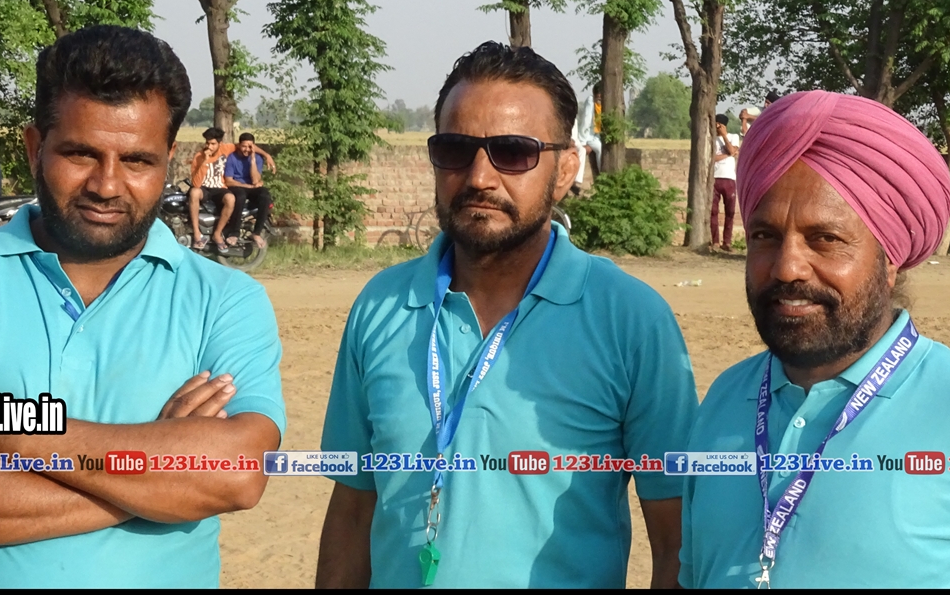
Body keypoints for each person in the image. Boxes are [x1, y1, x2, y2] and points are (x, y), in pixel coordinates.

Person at [0, 25, 286, 588]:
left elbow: (237, 475)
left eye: (137, 160)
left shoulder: (226, 299)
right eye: (81, 153)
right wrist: (155, 477)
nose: (107, 186)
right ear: (34, 148)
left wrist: (7, 429)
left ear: (168, 160)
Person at [315, 41, 698, 588]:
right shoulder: (381, 306)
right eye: (455, 148)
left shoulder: (631, 320)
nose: (479, 177)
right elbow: (353, 509)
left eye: (513, 152)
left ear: (565, 170)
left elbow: (676, 539)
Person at [679, 90, 950, 588]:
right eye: (765, 236)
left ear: (890, 258)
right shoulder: (726, 399)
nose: (787, 267)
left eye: (825, 239)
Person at [222, 132, 276, 253]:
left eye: (250, 146)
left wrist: (252, 160)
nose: (247, 149)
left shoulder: (257, 158)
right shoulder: (232, 158)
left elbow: (256, 181)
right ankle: (234, 232)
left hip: (252, 187)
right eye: (244, 146)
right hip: (237, 186)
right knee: (240, 196)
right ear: (239, 145)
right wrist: (246, 185)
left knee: (265, 195)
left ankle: (256, 233)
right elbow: (229, 181)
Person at [188, 127, 237, 250]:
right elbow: (196, 183)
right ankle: (197, 232)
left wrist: (266, 155)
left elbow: (244, 145)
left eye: (213, 144)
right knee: (194, 192)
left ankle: (217, 234)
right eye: (207, 143)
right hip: (203, 188)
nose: (209, 147)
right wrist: (205, 161)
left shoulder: (227, 148)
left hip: (219, 188)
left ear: (220, 143)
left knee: (231, 199)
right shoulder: (199, 156)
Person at [711, 113, 741, 252]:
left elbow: (732, 149)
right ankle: (715, 241)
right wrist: (729, 154)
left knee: (730, 211)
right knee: (713, 211)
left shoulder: (733, 137)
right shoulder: (711, 139)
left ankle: (727, 242)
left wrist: (724, 136)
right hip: (714, 178)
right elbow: (711, 158)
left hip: (729, 178)